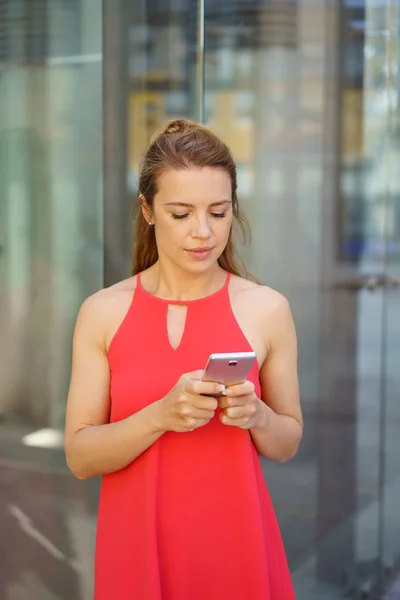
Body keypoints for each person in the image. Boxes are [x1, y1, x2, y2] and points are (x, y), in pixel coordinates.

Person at [64, 119, 303, 600]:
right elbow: (80, 456)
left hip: (235, 545)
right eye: (180, 213)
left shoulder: (267, 308)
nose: (203, 231)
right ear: (148, 211)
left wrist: (256, 415)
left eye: (218, 212)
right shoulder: (103, 311)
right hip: (136, 544)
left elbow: (286, 443)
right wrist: (159, 416)